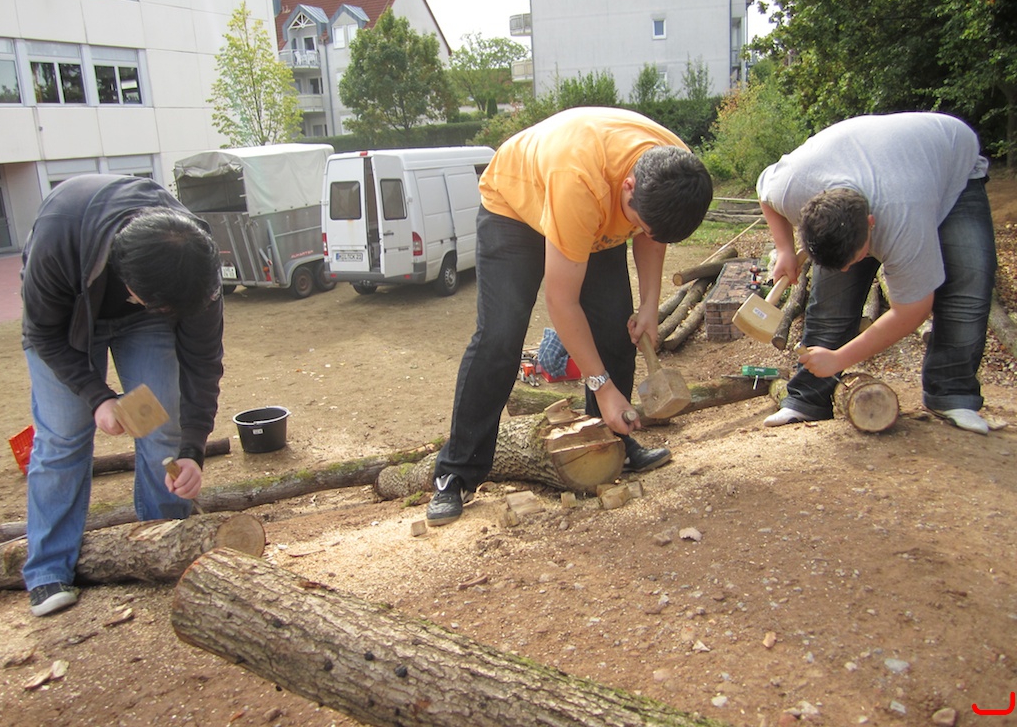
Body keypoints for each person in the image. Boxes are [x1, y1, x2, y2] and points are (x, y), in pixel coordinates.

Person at [427, 106, 714, 526]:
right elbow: (562, 302)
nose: (645, 230)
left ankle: (611, 442)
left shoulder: (676, 170)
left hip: (594, 210)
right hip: (516, 208)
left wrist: (649, 307)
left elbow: (652, 236)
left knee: (615, 328)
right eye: (640, 221)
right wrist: (602, 386)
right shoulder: (580, 181)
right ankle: (456, 473)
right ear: (629, 186)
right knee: (500, 337)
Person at [20, 174, 225, 617]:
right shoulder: (59, 239)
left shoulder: (193, 266)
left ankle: (163, 542)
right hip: (66, 318)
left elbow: (202, 363)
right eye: (161, 306)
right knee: (63, 437)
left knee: (160, 425)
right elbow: (43, 333)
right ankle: (47, 568)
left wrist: (193, 450)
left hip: (142, 316)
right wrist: (98, 397)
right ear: (124, 276)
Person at [756, 112, 996, 434]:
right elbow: (764, 191)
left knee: (968, 282)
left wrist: (839, 359)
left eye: (853, 259)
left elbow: (911, 311)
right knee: (830, 305)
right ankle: (807, 399)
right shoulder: (792, 187)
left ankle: (952, 394)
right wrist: (785, 249)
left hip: (950, 161)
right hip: (877, 161)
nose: (845, 269)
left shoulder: (904, 220)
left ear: (871, 225)